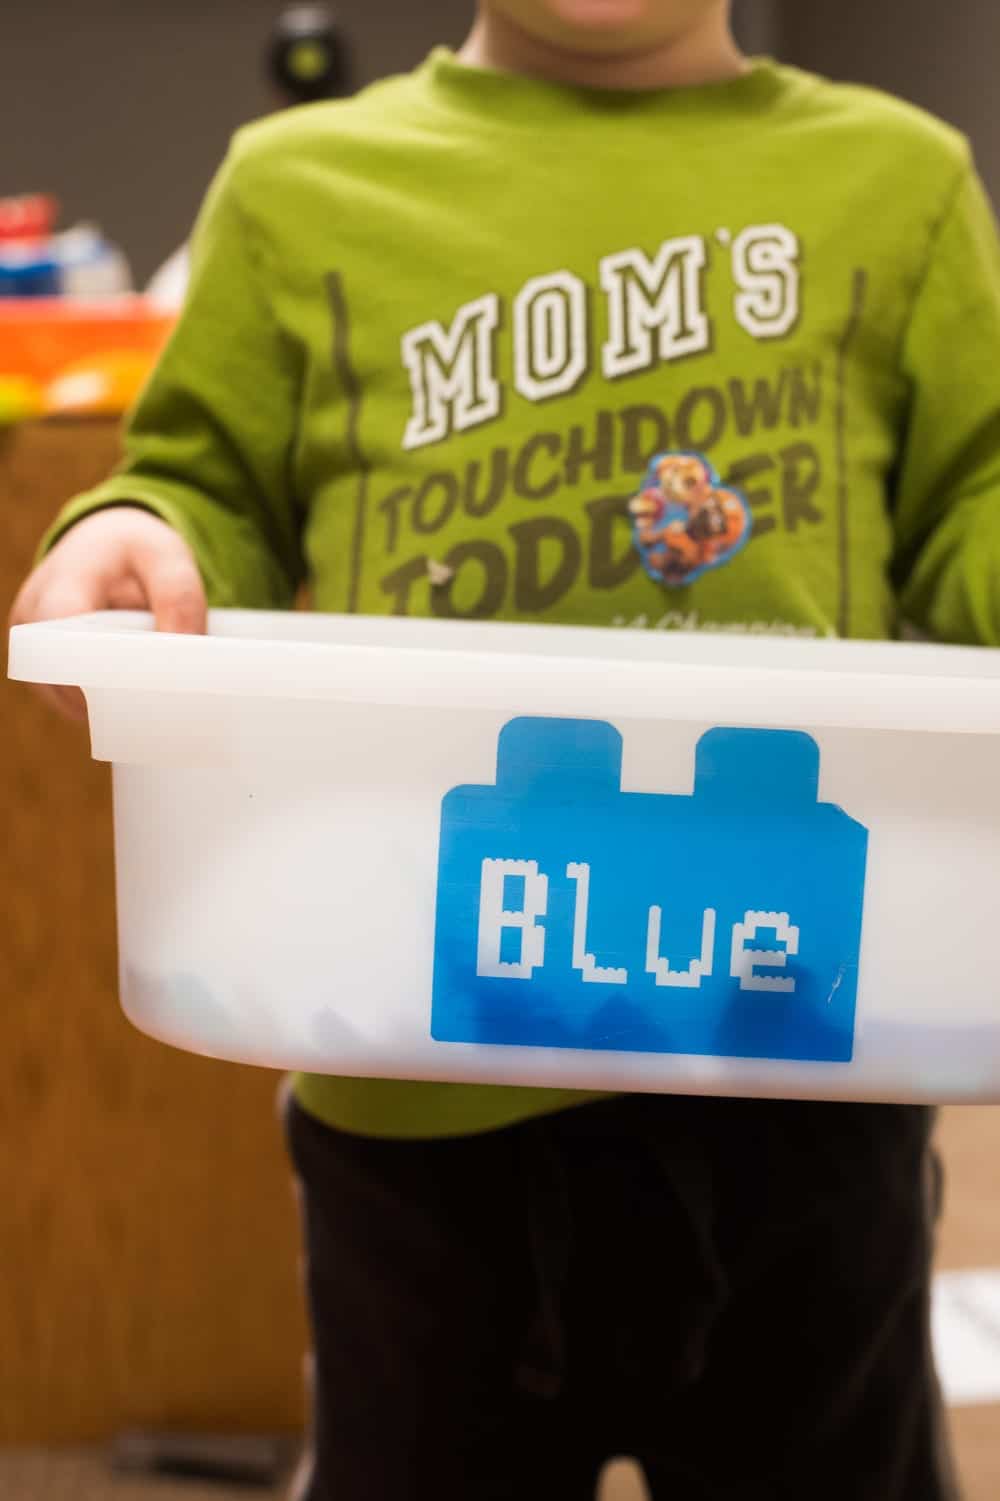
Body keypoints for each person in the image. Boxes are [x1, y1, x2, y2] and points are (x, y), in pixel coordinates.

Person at [12, 0, 1000, 1494]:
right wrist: (136, 531)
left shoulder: (900, 180)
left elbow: (971, 516)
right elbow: (203, 482)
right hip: (414, 1077)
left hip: (800, 1055)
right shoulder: (294, 186)